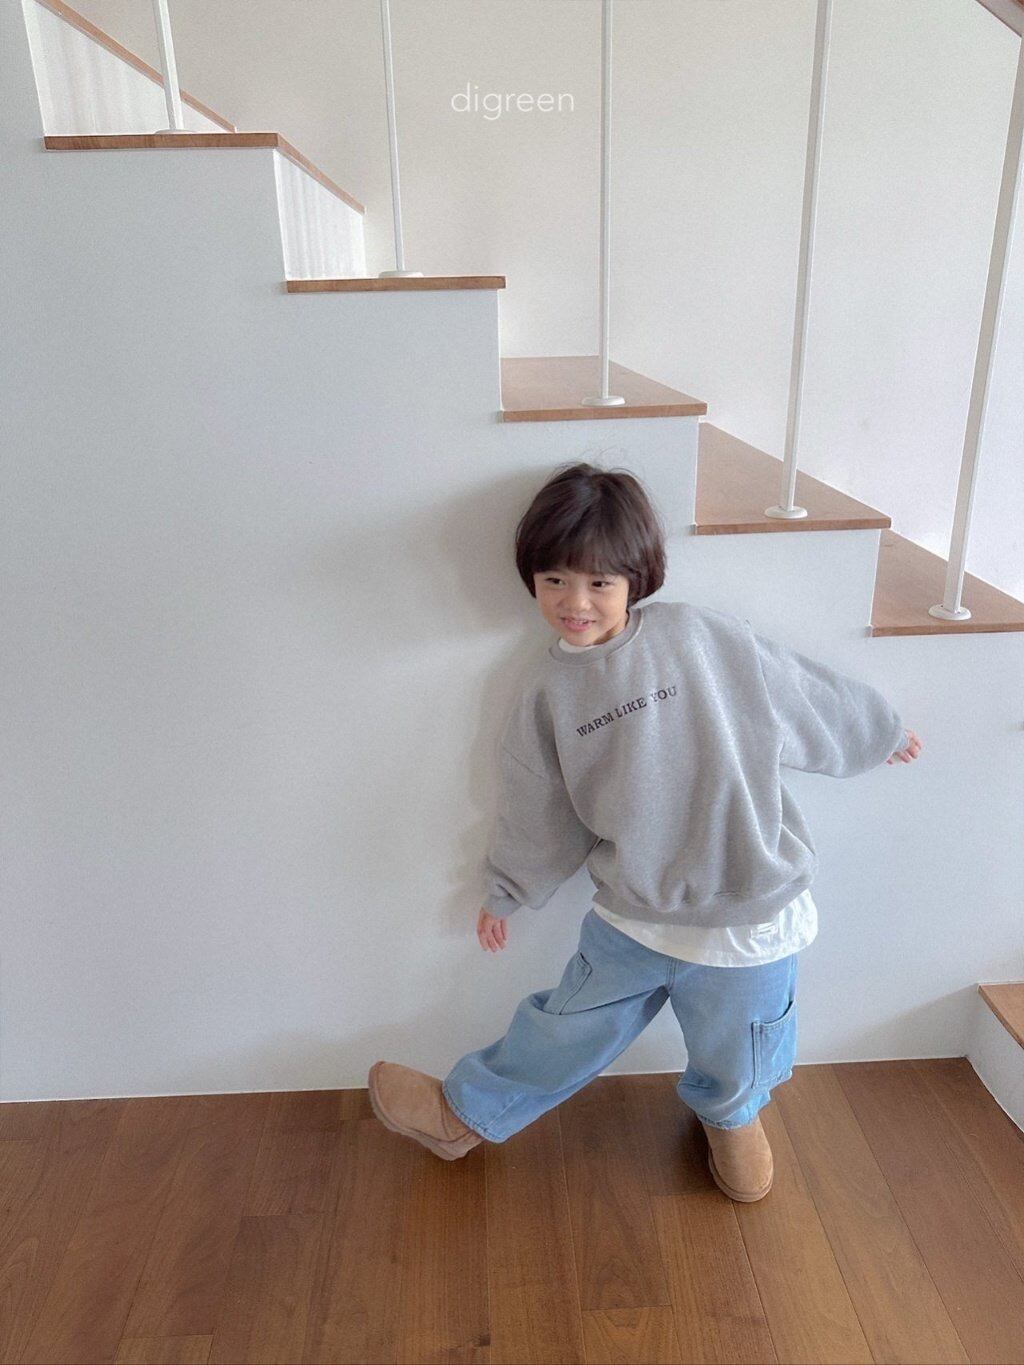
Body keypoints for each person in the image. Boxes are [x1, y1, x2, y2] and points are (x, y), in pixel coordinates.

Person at [368, 461, 922, 1201]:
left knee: (741, 1046)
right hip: (633, 914)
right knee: (565, 1025)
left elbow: (797, 691)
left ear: (636, 578)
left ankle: (732, 1119)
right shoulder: (547, 691)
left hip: (745, 910)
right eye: (555, 579)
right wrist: (510, 889)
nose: (575, 602)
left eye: (599, 582)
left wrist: (876, 731)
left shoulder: (702, 638)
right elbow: (538, 807)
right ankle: (463, 1114)